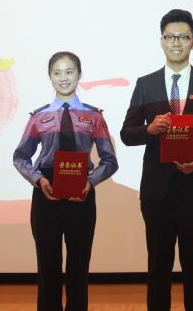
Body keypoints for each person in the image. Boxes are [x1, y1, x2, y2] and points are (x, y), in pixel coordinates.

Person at [120, 9, 193, 311]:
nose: (177, 42)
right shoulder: (146, 84)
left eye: (183, 36)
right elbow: (127, 134)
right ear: (161, 41)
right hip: (156, 192)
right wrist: (149, 129)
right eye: (170, 37)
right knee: (158, 268)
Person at [13, 51, 118, 311]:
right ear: (50, 76)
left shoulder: (94, 117)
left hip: (81, 192)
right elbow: (21, 157)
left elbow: (109, 160)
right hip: (46, 192)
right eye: (57, 72)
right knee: (47, 267)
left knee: (78, 267)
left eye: (69, 71)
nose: (63, 78)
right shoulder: (38, 117)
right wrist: (38, 179)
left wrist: (90, 182)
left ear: (79, 75)